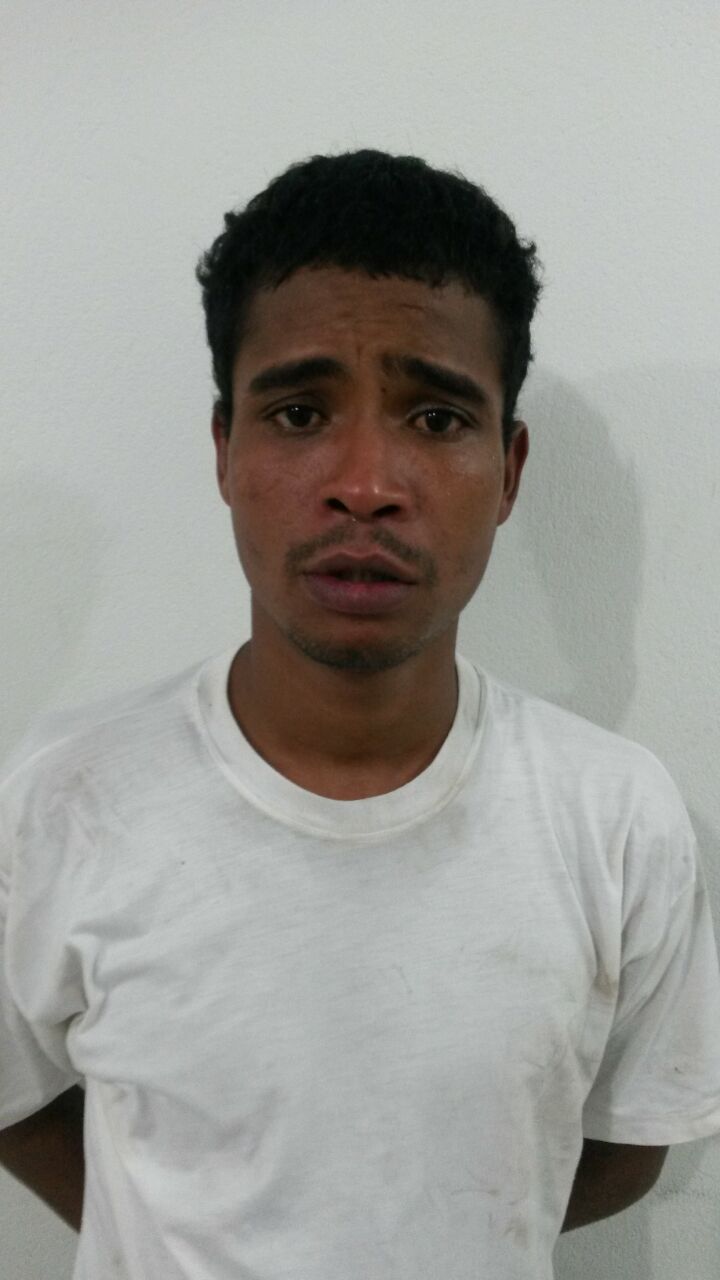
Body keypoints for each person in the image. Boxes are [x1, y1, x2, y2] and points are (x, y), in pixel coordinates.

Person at [1, 149, 719, 1280]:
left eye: (436, 416)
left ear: (510, 469)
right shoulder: (64, 795)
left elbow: (628, 1143)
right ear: (225, 449)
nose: (366, 482)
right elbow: (13, 1098)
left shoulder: (617, 817)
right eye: (298, 411)